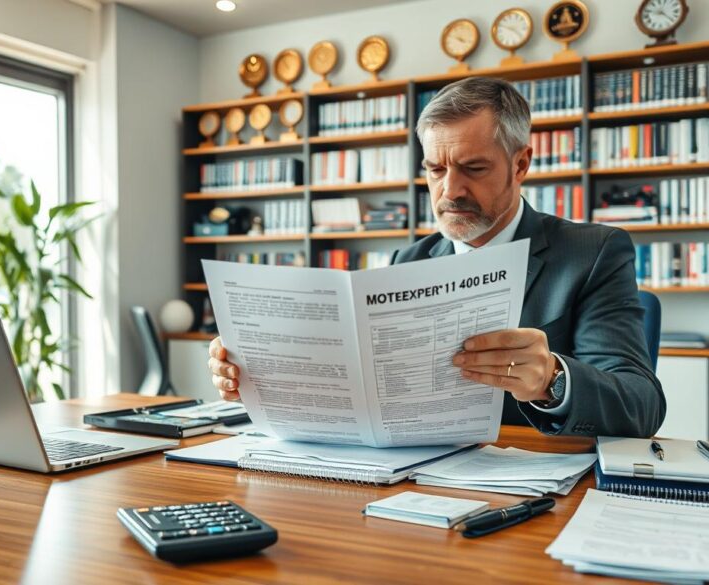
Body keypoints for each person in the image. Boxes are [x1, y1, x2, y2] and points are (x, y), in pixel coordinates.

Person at [206, 77, 665, 438]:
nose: (450, 191)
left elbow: (640, 405)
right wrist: (263, 378)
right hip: (412, 481)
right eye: (436, 169)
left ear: (521, 164)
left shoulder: (594, 252)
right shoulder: (409, 260)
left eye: (474, 168)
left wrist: (552, 380)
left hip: (533, 490)